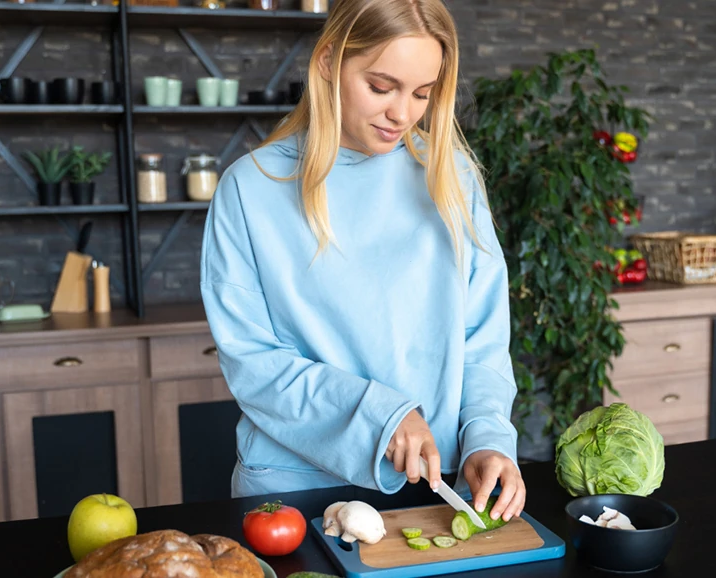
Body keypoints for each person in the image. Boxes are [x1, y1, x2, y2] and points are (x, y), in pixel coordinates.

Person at [199, 0, 525, 523]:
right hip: (294, 493)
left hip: (434, 487)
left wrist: (488, 438)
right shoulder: (250, 188)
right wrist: (382, 417)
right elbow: (253, 363)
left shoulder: (452, 176)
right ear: (328, 62)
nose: (403, 113)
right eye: (381, 86)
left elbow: (482, 339)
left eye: (423, 93)